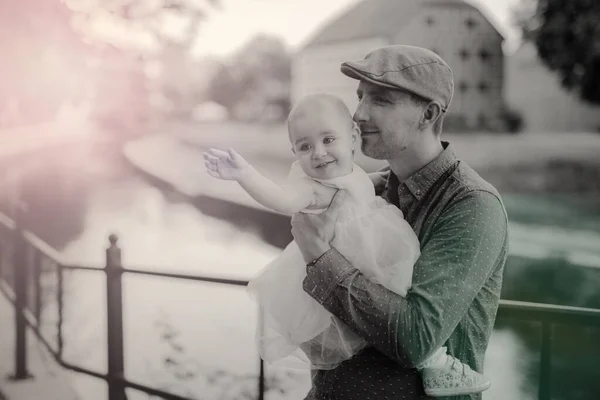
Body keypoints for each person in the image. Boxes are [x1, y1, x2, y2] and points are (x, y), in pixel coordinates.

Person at [203, 92, 491, 397]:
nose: (318, 153)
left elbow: (356, 185)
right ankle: (436, 365)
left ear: (352, 138)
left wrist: (374, 182)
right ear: (294, 153)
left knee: (407, 299)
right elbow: (280, 198)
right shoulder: (308, 186)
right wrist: (244, 174)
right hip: (356, 259)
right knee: (396, 296)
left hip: (370, 254)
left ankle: (435, 365)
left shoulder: (354, 174)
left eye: (328, 140)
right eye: (305, 146)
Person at [290, 45, 509, 400]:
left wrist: (320, 257)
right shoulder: (365, 190)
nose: (358, 114)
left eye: (381, 100)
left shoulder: (472, 205)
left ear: (428, 113)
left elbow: (415, 339)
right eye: (360, 97)